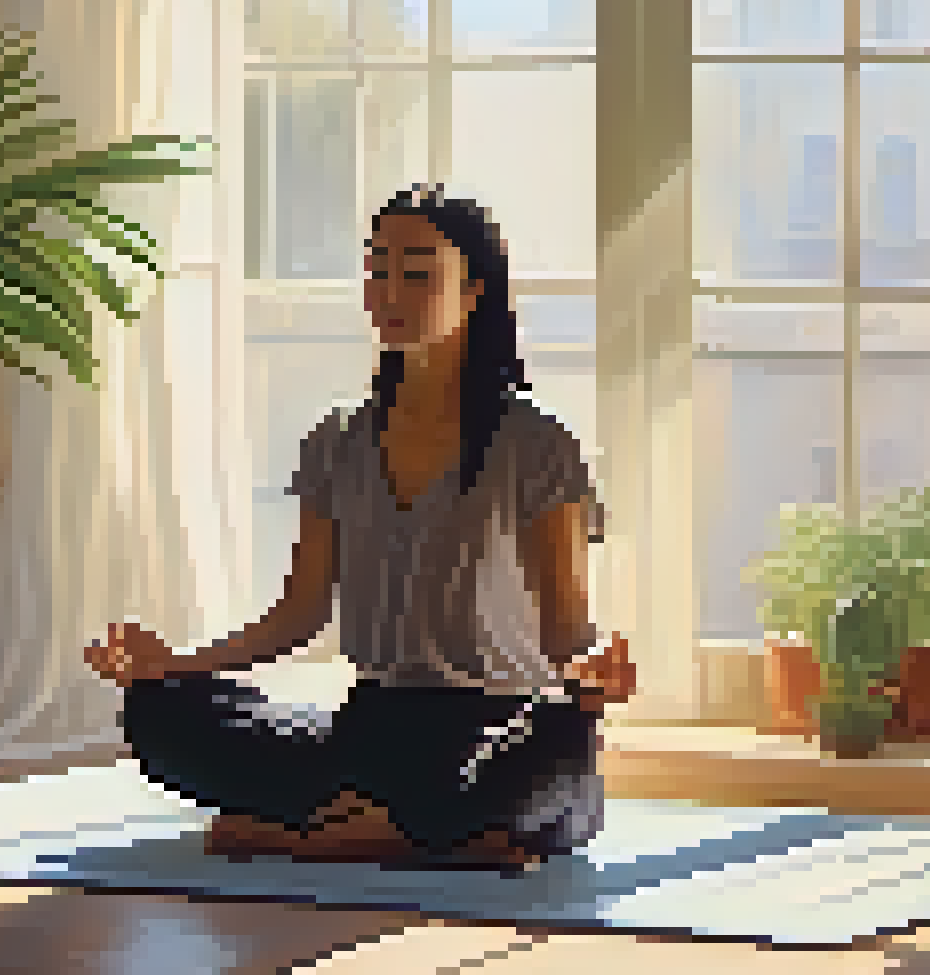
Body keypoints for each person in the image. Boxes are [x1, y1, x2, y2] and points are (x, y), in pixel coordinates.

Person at [84, 182, 635, 873]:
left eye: (418, 274)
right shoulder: (338, 440)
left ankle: (321, 833)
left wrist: (590, 671)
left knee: (559, 753)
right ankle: (423, 834)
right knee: (158, 712)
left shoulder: (538, 443)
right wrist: (173, 665)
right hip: (372, 726)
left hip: (491, 724)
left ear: (474, 290)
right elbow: (298, 614)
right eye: (378, 271)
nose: (390, 292)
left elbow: (565, 625)